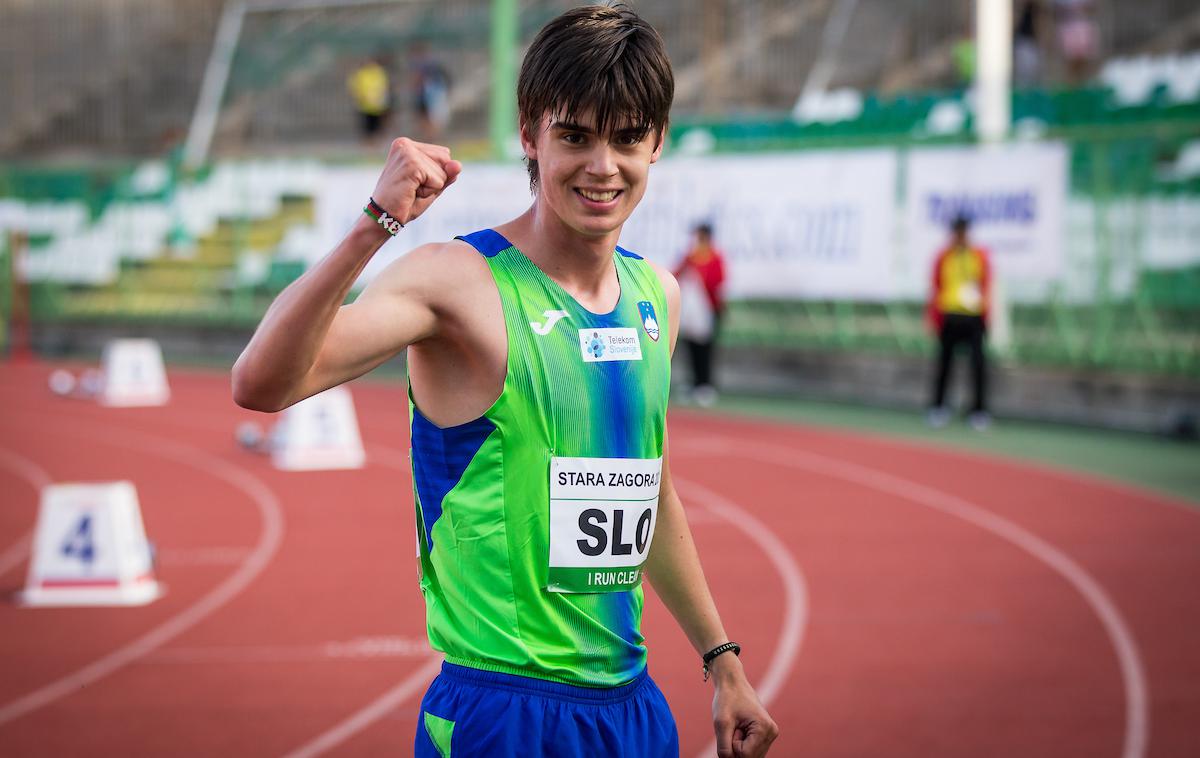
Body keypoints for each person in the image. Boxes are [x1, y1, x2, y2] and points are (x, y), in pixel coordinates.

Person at [232, 6, 778, 758]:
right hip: (502, 714)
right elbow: (260, 383)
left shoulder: (658, 295)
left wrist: (722, 661)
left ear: (657, 142)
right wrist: (372, 227)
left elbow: (648, 489)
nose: (602, 166)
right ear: (530, 134)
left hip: (634, 711)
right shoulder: (460, 283)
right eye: (576, 136)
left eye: (626, 139)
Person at [926, 214, 992, 430]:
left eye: (963, 231)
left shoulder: (978, 256)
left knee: (978, 366)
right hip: (950, 315)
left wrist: (986, 317)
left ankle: (978, 410)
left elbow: (986, 285)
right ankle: (938, 407)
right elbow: (936, 287)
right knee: (944, 365)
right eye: (957, 231)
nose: (960, 236)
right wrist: (933, 318)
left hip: (973, 317)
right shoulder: (943, 256)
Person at [674, 222, 727, 407]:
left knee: (706, 348)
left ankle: (705, 384)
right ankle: (694, 382)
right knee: (690, 346)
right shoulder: (691, 256)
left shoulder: (715, 257)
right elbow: (676, 273)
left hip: (707, 310)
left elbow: (718, 282)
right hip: (690, 313)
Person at [409, 41, 451, 142]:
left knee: (431, 119)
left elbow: (418, 79)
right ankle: (430, 138)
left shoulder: (427, 65)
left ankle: (431, 138)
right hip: (424, 96)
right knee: (426, 118)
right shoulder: (425, 64)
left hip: (430, 96)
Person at [348, 54, 393, 145]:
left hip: (378, 106)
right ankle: (369, 145)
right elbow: (355, 87)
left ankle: (375, 145)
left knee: (378, 127)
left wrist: (379, 96)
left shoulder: (379, 72)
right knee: (367, 128)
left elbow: (384, 87)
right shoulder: (361, 73)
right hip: (365, 106)